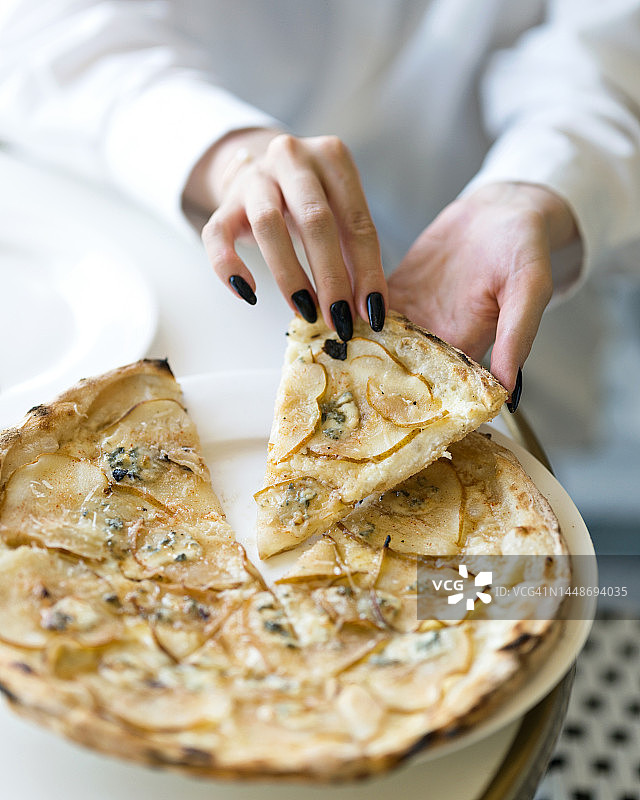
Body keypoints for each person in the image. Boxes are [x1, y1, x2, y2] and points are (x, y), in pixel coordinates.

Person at [1, 0, 640, 411]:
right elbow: (43, 26)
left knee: (489, 580)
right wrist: (221, 147)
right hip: (192, 229)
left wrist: (529, 186)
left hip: (490, 242)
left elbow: (607, 53)